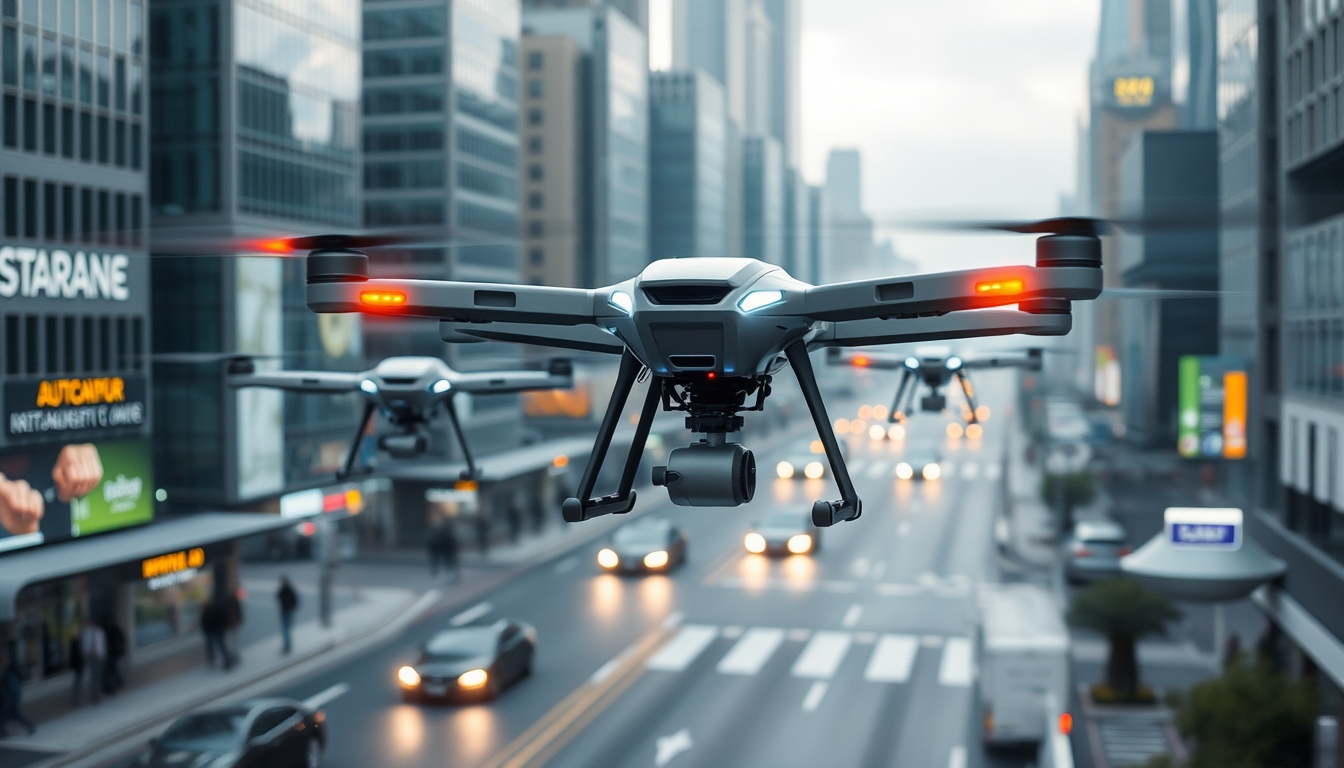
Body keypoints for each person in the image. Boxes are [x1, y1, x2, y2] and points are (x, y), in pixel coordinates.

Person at [1, 650, 34, 736]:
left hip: (11, 697)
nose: (4, 662)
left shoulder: (10, 673)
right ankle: (29, 725)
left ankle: (3, 731)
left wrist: (8, 698)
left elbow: (12, 688)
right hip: (11, 696)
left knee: (7, 714)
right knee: (10, 714)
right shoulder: (9, 672)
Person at [76, 618, 105, 705]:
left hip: (98, 656)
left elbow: (102, 644)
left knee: (97, 676)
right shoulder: (85, 633)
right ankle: (94, 696)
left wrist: (101, 654)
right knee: (93, 677)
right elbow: (84, 645)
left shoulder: (98, 632)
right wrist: (86, 653)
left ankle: (97, 695)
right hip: (90, 656)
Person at [200, 599, 230, 670]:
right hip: (215, 631)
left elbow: (206, 623)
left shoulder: (209, 612)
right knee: (220, 646)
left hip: (215, 631)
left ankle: (224, 661)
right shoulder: (212, 611)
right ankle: (221, 660)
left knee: (220, 646)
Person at [102, 618, 125, 693]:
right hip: (111, 653)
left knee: (111, 669)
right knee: (113, 669)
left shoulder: (113, 630)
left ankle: (114, 684)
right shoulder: (109, 630)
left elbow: (120, 640)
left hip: (113, 653)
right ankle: (117, 682)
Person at [276, 577, 298, 655]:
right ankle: (287, 644)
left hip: (286, 612)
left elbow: (278, 596)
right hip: (286, 612)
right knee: (286, 629)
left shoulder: (285, 591)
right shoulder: (289, 590)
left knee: (286, 629)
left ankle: (287, 645)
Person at [222, 590, 243, 667]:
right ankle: (234, 656)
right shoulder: (232, 603)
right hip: (232, 625)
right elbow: (239, 612)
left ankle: (234, 656)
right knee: (233, 642)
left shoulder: (228, 604)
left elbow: (239, 612)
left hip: (232, 625)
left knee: (232, 641)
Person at [66, 634, 83, 706]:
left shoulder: (74, 645)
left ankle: (75, 697)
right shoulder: (75, 645)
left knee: (77, 682)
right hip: (78, 666)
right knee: (77, 682)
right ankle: (74, 698)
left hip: (78, 666)